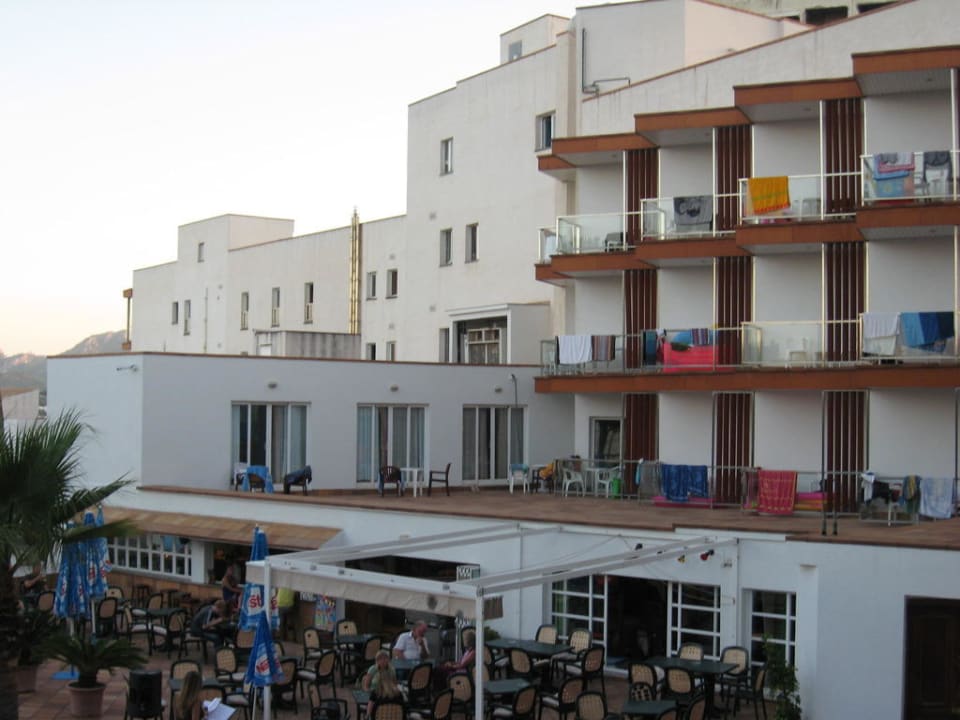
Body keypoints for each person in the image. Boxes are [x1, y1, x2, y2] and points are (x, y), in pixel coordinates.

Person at [363, 649, 402, 717]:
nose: (383, 660)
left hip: (385, 696)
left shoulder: (392, 670)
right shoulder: (372, 669)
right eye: (380, 659)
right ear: (377, 660)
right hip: (375, 694)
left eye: (385, 658)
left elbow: (368, 714)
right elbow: (366, 686)